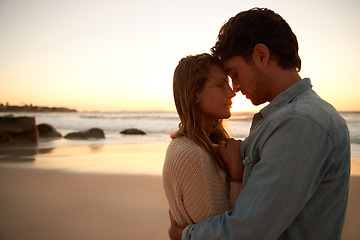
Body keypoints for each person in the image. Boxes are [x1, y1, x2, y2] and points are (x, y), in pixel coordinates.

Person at [169, 7, 351, 240]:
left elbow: (249, 231)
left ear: (261, 56)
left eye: (233, 73)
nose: (233, 87)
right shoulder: (287, 119)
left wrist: (186, 235)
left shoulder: (299, 123)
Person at [162, 53, 243, 229]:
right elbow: (228, 234)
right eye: (221, 85)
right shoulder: (192, 155)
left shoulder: (198, 146)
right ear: (195, 94)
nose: (231, 92)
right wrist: (236, 175)